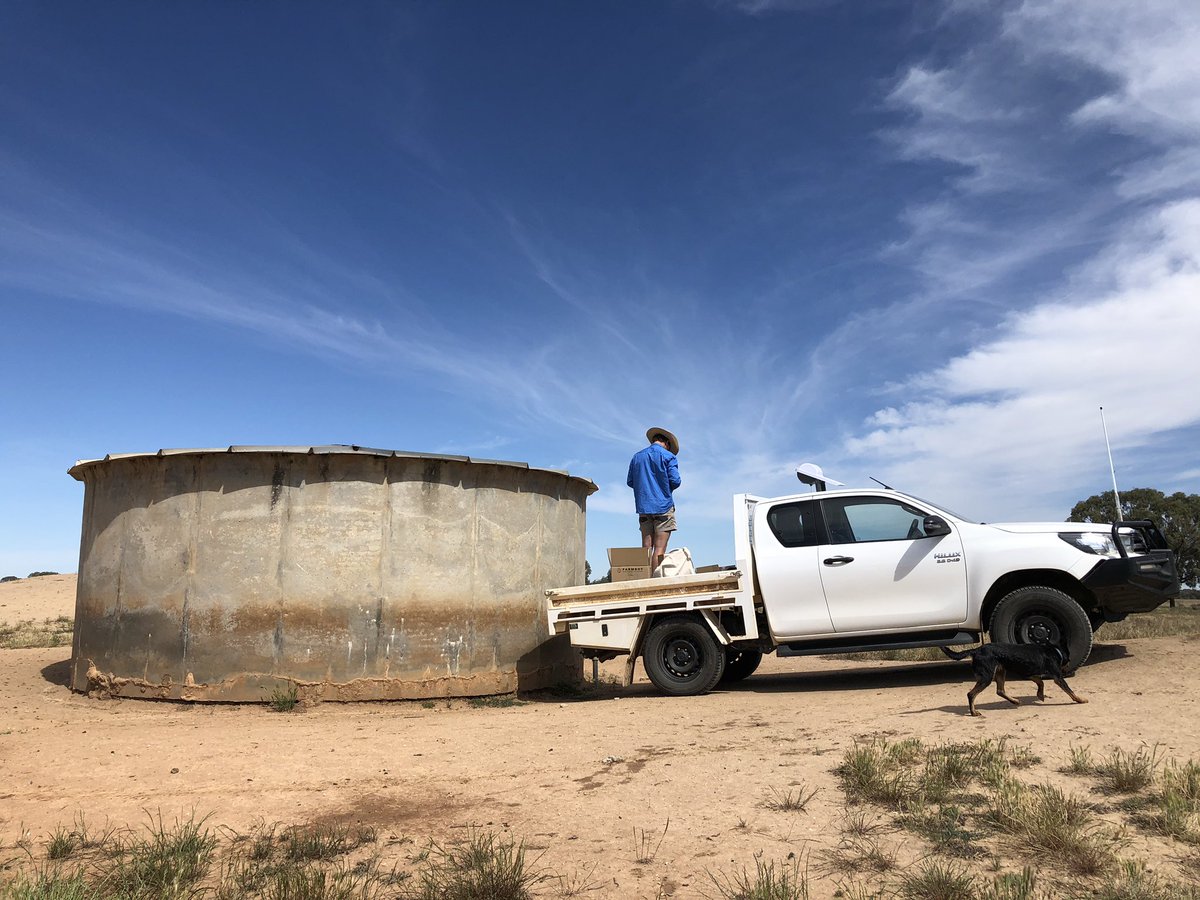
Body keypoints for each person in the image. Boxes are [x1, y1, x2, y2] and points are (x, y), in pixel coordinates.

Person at [627, 427, 681, 570]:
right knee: (659, 549)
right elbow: (675, 481)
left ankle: (643, 580)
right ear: (667, 443)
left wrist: (645, 490)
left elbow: (630, 481)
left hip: (644, 507)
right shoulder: (669, 457)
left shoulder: (637, 457)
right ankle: (655, 583)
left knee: (646, 548)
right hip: (663, 506)